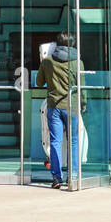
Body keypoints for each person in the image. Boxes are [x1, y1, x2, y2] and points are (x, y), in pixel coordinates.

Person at [35, 33, 84, 189]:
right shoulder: (78, 62)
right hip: (72, 106)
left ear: (57, 44)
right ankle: (74, 176)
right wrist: (83, 103)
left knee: (55, 142)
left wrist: (43, 64)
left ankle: (57, 178)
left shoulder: (48, 61)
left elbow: (39, 82)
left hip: (54, 106)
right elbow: (81, 86)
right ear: (73, 44)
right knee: (74, 141)